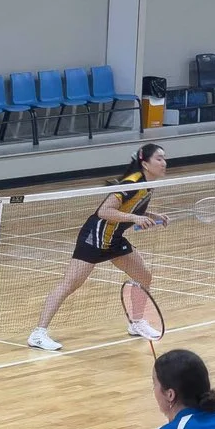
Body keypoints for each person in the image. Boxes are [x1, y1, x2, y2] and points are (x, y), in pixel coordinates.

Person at [29, 143, 168, 352]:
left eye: (164, 158)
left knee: (144, 277)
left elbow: (132, 208)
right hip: (95, 238)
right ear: (145, 163)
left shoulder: (148, 184)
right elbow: (104, 211)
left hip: (114, 238)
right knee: (70, 284)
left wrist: (151, 215)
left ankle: (136, 322)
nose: (164, 163)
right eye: (159, 158)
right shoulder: (131, 183)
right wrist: (135, 218)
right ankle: (38, 334)